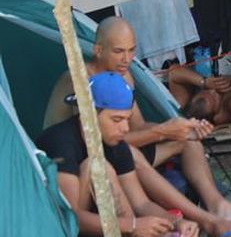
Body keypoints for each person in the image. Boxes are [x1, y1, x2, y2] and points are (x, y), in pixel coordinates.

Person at [44, 17, 231, 228]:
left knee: (187, 140)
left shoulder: (124, 76)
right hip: (78, 163)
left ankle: (217, 206)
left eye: (132, 50)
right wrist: (163, 131)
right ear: (98, 50)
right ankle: (196, 220)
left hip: (114, 151)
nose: (126, 59)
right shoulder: (82, 80)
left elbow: (135, 128)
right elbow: (106, 139)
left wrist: (180, 128)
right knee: (130, 153)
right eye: (119, 51)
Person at [36, 72, 216, 237]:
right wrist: (133, 226)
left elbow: (142, 204)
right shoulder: (60, 142)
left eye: (127, 119)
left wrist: (175, 223)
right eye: (116, 119)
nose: (125, 128)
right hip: (54, 229)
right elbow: (69, 216)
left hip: (101, 224)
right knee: (97, 166)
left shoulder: (115, 142)